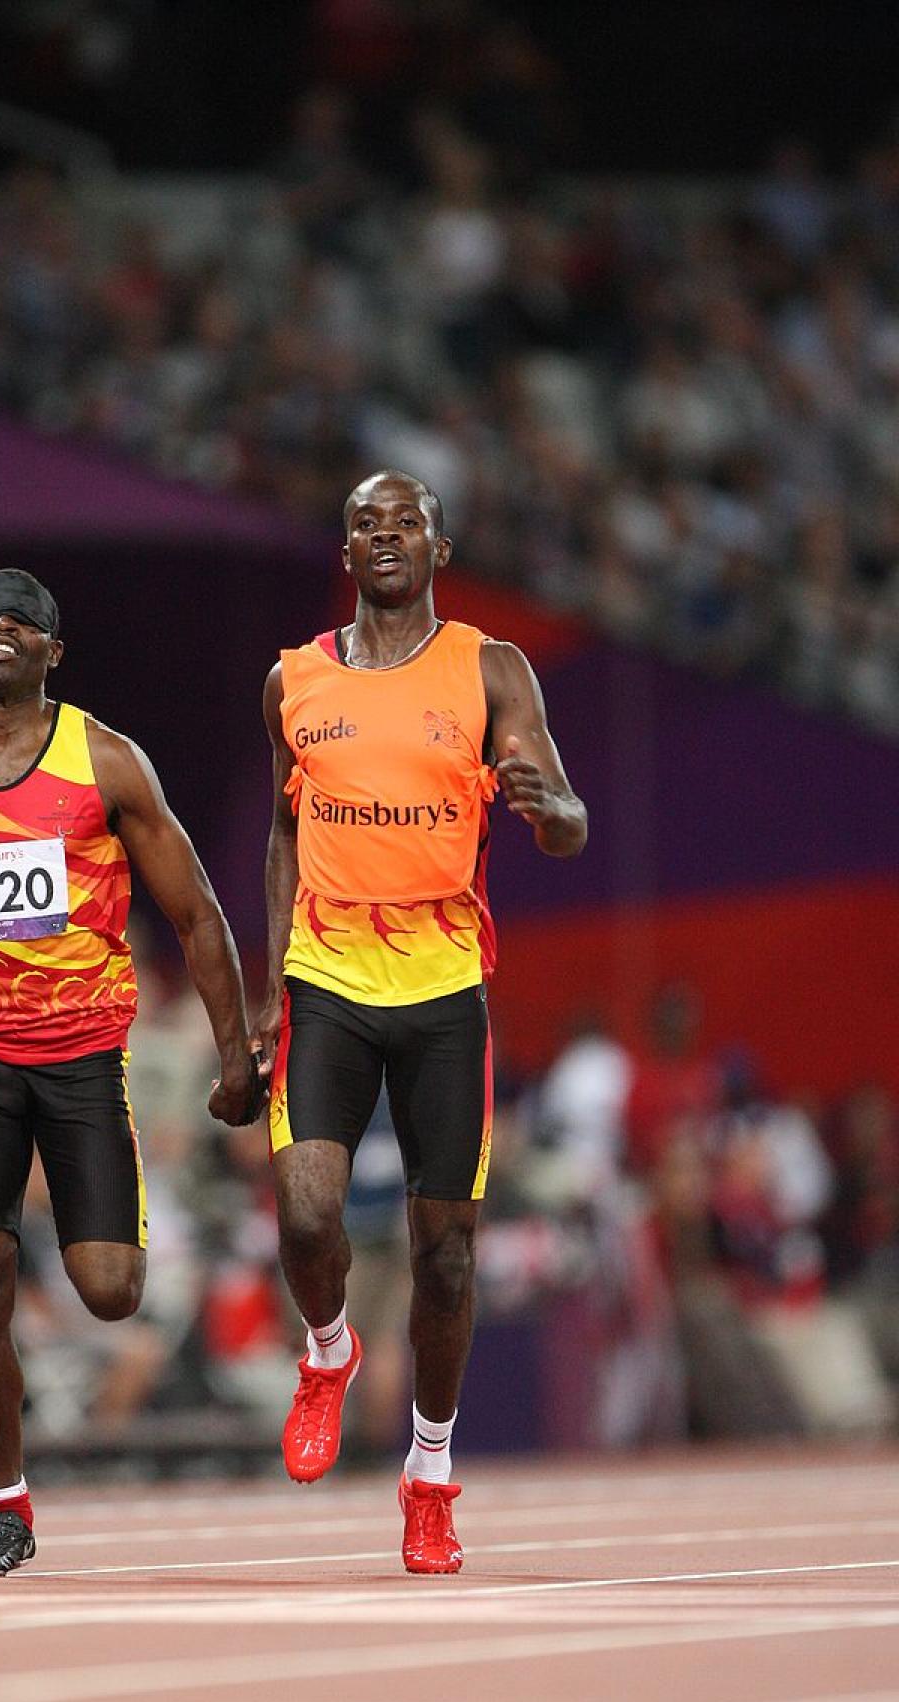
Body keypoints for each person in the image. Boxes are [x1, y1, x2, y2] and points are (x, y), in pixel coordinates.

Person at [0, 568, 261, 1576]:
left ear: (53, 654)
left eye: (26, 622)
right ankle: (6, 1506)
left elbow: (196, 915)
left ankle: (113, 1245)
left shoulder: (106, 763)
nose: (3, 630)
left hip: (79, 1059)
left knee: (111, 1291)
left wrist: (237, 1053)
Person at [256, 470, 586, 1574]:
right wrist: (270, 984)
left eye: (406, 521)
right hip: (328, 972)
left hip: (445, 983)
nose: (384, 536)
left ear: (438, 546)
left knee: (445, 1259)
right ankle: (328, 1350)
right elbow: (278, 837)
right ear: (344, 551)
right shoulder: (294, 679)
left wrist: (554, 814)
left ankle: (431, 1472)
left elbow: (564, 809)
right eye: (363, 523)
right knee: (307, 1212)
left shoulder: (491, 669)